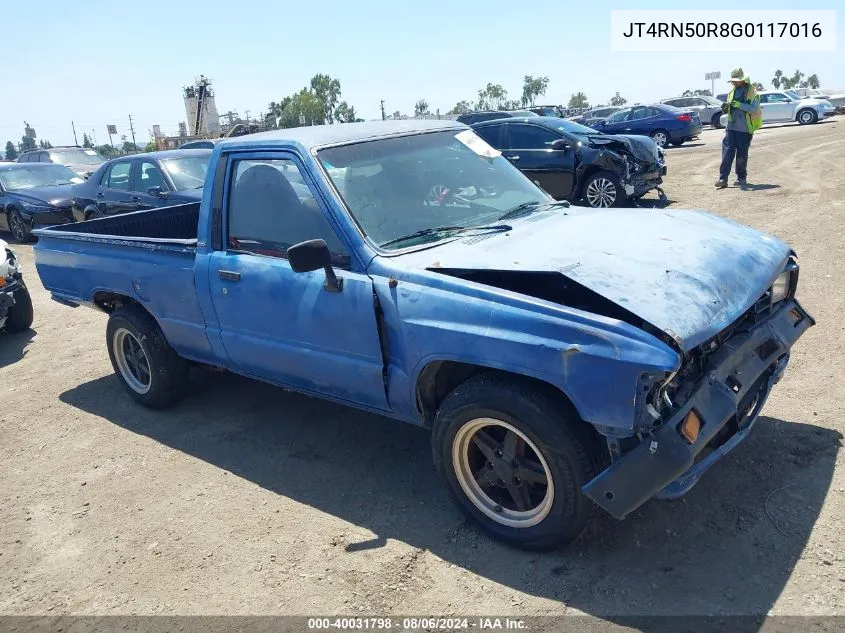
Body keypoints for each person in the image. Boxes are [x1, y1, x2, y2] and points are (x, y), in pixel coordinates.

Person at [716, 68, 762, 189]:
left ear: (742, 80)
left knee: (742, 153)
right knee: (727, 151)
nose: (734, 83)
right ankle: (723, 178)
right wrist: (726, 108)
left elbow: (754, 109)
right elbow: (730, 107)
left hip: (745, 128)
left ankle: (741, 177)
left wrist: (740, 105)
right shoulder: (732, 91)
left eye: (736, 81)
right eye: (733, 81)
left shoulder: (752, 92)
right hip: (731, 126)